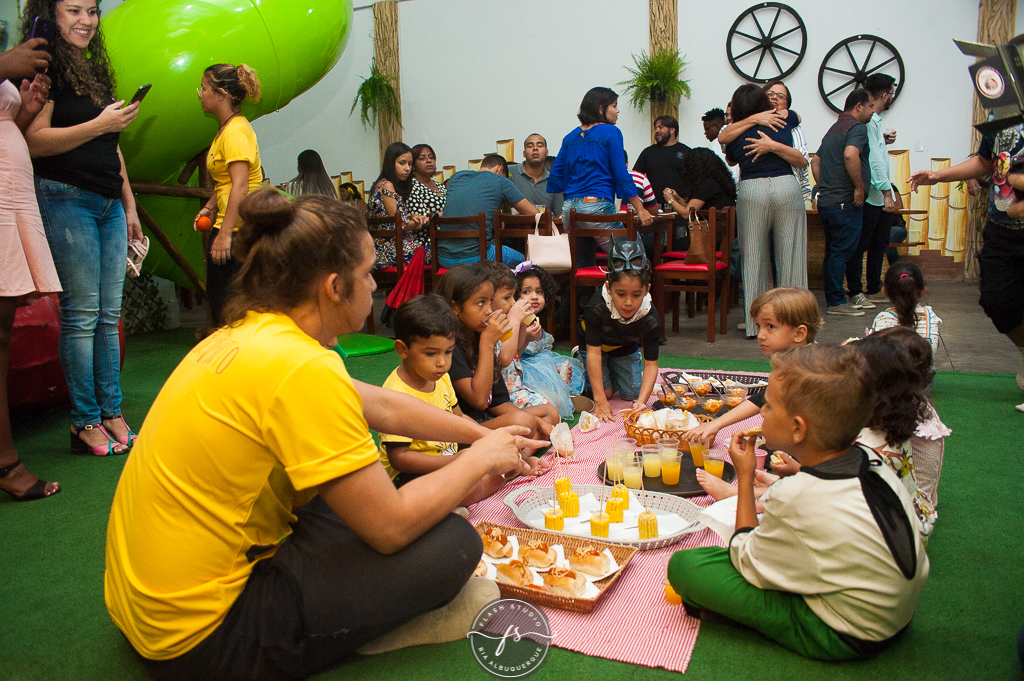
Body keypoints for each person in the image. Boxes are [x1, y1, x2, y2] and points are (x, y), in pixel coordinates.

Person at [105, 188, 543, 680]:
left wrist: (478, 436)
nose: (376, 284)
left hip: (142, 607)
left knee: (364, 504)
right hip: (204, 640)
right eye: (367, 273)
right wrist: (481, 459)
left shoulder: (251, 336)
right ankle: (375, 627)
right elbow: (391, 525)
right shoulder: (301, 368)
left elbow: (385, 407)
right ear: (334, 287)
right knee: (455, 543)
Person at [668, 344, 929, 661]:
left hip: (846, 633)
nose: (761, 412)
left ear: (798, 428)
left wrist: (746, 474)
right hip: (896, 612)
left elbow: (744, 558)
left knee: (686, 567)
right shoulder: (873, 460)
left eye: (770, 407)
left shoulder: (797, 493)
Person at [23, 0, 142, 455]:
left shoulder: (96, 69)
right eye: (74, 10)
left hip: (109, 202)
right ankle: (84, 422)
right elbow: (34, 139)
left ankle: (112, 413)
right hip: (65, 196)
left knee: (109, 315)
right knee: (82, 314)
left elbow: (113, 147)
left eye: (92, 11)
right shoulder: (44, 66)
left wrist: (130, 206)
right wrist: (98, 124)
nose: (86, 20)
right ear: (50, 14)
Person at [911, 123, 1024, 398]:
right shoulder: (1003, 111)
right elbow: (985, 161)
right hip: (1002, 229)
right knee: (996, 299)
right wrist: (939, 175)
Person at [0, 38, 62, 499]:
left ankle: (4, 460)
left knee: (2, 330)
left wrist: (24, 112)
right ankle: (5, 464)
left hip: (11, 193)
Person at [377, 294, 511, 506]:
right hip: (407, 476)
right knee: (472, 485)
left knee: (504, 452)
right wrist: (455, 461)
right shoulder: (396, 395)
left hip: (449, 459)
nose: (442, 363)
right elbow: (399, 458)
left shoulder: (441, 378)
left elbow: (459, 418)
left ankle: (500, 473)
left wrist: (490, 442)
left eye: (448, 352)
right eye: (430, 354)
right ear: (403, 349)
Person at [434, 263, 554, 453]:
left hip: (485, 419)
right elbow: (480, 401)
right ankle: (518, 454)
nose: (489, 310)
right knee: (524, 421)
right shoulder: (450, 346)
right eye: (481, 303)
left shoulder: (477, 333)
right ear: (454, 307)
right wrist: (487, 344)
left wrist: (538, 422)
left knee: (549, 413)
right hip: (464, 430)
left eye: (490, 302)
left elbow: (496, 403)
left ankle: (520, 452)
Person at [684, 287, 821, 451]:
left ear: (799, 333)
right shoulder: (792, 360)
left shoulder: (810, 370)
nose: (761, 335)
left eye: (770, 326)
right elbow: (762, 398)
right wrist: (717, 424)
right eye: (758, 326)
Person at [720, 84, 808, 336]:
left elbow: (724, 141)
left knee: (754, 258)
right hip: (786, 186)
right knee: (791, 255)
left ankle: (757, 326)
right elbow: (797, 116)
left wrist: (750, 121)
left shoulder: (735, 132)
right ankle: (795, 323)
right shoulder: (783, 119)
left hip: (752, 190)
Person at [547, 87, 653, 267]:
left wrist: (575, 193)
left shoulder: (569, 137)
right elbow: (621, 174)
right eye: (614, 106)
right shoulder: (611, 132)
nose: (618, 111)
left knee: (582, 266)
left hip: (569, 210)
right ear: (600, 108)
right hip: (597, 208)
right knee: (635, 262)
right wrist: (640, 209)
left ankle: (583, 296)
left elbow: (556, 176)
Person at [192, 62, 264, 328]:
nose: (200, 93)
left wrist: (224, 235)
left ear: (221, 93)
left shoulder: (234, 132)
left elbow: (241, 185)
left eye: (204, 88)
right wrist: (210, 207)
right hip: (229, 222)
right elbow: (227, 181)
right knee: (221, 299)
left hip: (238, 228)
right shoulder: (228, 128)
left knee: (228, 304)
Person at [853, 328, 938, 543]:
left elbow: (841, 495)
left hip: (888, 544)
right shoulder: (895, 422)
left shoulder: (864, 447)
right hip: (915, 523)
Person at [578, 239, 661, 422]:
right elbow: (594, 353)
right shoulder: (596, 308)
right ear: (609, 287)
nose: (628, 302)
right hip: (595, 346)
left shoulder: (650, 317)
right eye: (621, 294)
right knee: (606, 393)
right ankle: (579, 360)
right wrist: (599, 400)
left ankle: (613, 369)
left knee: (632, 394)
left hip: (624, 345)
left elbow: (651, 365)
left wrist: (642, 402)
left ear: (647, 290)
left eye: (636, 295)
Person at [810, 89, 873, 317]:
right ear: (859, 106)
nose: (872, 111)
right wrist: (858, 187)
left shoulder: (833, 129)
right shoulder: (856, 128)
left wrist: (825, 187)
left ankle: (845, 296)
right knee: (840, 252)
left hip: (829, 201)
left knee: (835, 251)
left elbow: (815, 162)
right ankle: (836, 301)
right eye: (870, 106)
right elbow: (850, 155)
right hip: (845, 202)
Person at [479, 261, 560, 427]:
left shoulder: (503, 320)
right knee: (547, 418)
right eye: (507, 298)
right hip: (505, 397)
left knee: (553, 413)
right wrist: (515, 320)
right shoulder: (490, 327)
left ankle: (528, 441)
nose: (512, 303)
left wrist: (522, 325)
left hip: (517, 388)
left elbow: (515, 350)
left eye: (513, 297)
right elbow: (504, 359)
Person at [846, 74, 899, 310]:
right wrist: (887, 192)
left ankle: (874, 287)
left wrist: (884, 140)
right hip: (872, 195)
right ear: (885, 95)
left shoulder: (876, 121)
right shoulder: (867, 122)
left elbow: (876, 152)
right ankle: (855, 290)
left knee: (879, 243)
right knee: (861, 244)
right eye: (891, 93)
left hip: (880, 194)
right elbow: (874, 161)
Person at [515, 262, 586, 420]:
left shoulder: (535, 322)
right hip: (523, 370)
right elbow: (512, 358)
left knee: (576, 374)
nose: (534, 296)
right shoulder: (516, 323)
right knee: (548, 393)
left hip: (543, 365)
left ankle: (565, 393)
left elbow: (544, 352)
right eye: (526, 291)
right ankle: (560, 399)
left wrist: (555, 367)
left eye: (539, 292)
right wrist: (525, 338)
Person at [437, 154, 536, 268]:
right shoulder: (500, 181)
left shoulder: (456, 177)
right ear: (500, 169)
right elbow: (533, 213)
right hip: (478, 257)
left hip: (444, 258)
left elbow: (469, 204)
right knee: (527, 260)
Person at [368, 142, 429, 268]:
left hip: (388, 247)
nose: (407, 168)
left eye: (410, 164)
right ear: (391, 163)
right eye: (402, 163)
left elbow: (395, 217)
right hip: (391, 250)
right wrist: (425, 220)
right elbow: (401, 224)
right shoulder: (387, 186)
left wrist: (413, 217)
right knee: (436, 252)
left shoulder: (379, 184)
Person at [871, 262, 941, 356]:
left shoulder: (882, 318)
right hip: (924, 370)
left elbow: (878, 355)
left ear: (884, 291)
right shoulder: (930, 315)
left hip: (891, 369)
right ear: (923, 291)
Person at [632, 114, 690, 201]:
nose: (657, 130)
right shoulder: (648, 152)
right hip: (654, 207)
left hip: (681, 206)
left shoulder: (686, 152)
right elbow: (635, 177)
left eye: (660, 127)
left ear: (672, 130)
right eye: (655, 128)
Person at [507, 133, 563, 214]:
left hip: (543, 225)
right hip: (513, 225)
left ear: (546, 152)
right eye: (530, 146)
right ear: (524, 153)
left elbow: (559, 214)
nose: (535, 148)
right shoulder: (509, 172)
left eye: (540, 146)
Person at [407, 143, 446, 248]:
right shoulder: (412, 186)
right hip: (427, 242)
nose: (429, 160)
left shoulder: (440, 186)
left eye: (431, 157)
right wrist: (445, 213)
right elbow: (421, 220)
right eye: (422, 158)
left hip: (447, 237)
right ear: (413, 165)